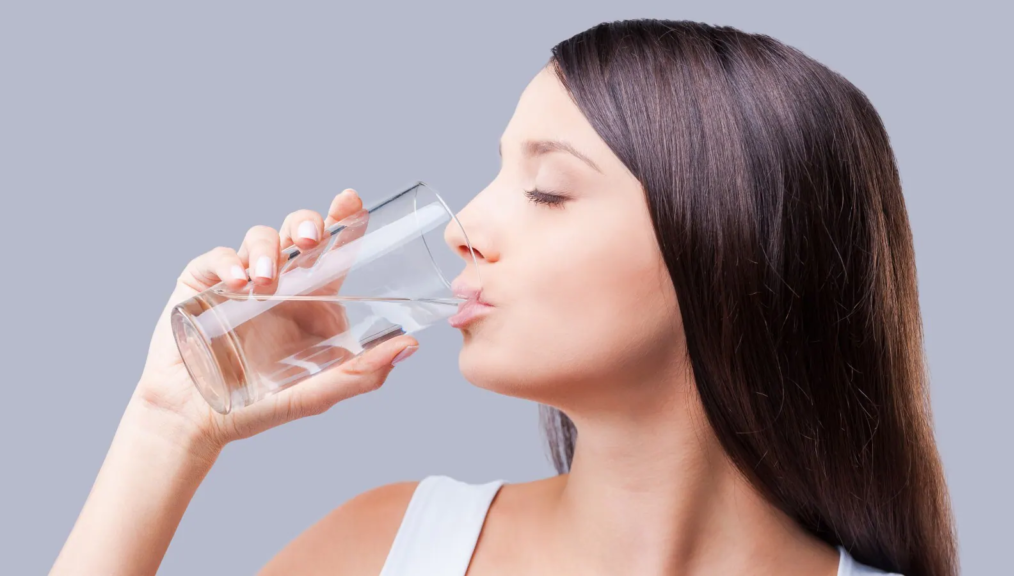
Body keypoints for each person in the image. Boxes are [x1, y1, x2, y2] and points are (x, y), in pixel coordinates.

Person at [50, 18, 958, 576]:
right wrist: (166, 427)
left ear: (726, 247)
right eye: (497, 172)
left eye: (549, 190)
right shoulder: (393, 548)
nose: (464, 225)